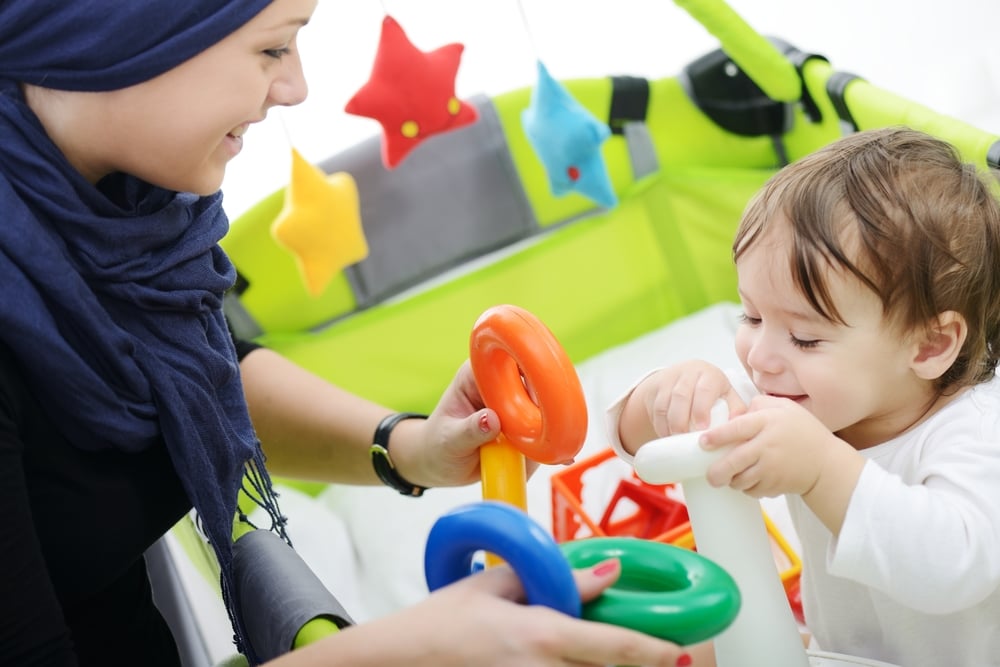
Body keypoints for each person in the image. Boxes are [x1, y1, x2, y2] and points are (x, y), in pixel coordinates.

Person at [0, 1, 691, 666]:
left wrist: (411, 445)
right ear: (117, 33)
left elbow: (196, 370)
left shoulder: (133, 221)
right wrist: (414, 648)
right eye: (273, 46)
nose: (296, 87)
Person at [610, 127, 1000, 666]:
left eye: (805, 337)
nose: (760, 355)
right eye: (750, 315)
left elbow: (953, 565)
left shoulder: (979, 431)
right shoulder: (798, 386)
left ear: (929, 344)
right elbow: (634, 437)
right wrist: (669, 393)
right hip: (837, 652)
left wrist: (821, 469)